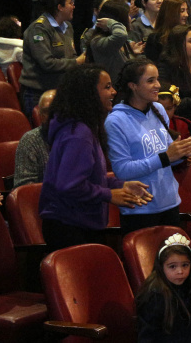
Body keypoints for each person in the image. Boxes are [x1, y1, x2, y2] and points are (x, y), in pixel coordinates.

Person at [39, 65, 152, 251]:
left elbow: (87, 179)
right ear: (89, 93)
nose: (114, 92)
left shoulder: (85, 128)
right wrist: (109, 194)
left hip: (79, 224)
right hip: (69, 226)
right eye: (107, 87)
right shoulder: (78, 134)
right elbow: (69, 185)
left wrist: (119, 185)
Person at [107, 58, 191, 233]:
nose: (158, 85)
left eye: (157, 79)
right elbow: (122, 170)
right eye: (150, 80)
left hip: (170, 202)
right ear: (133, 86)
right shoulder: (115, 121)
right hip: (140, 207)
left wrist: (182, 153)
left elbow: (167, 160)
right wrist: (166, 157)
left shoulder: (158, 109)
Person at [136, 233, 191, 342]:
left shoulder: (190, 287)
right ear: (161, 267)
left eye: (185, 265)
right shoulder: (154, 296)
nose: (180, 271)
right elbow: (148, 338)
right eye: (172, 266)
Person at [20, 0, 86, 114]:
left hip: (60, 89)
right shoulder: (39, 29)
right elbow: (46, 63)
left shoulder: (68, 27)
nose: (74, 6)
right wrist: (76, 62)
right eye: (70, 3)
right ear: (60, 7)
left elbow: (70, 55)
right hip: (38, 92)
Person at [83, 0, 143, 81]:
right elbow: (121, 34)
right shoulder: (98, 41)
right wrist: (110, 23)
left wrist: (131, 53)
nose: (130, 18)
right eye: (127, 15)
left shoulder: (115, 41)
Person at [13, 89, 55, 188]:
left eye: (55, 110)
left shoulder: (75, 137)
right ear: (40, 115)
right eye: (45, 112)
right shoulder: (30, 140)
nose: (51, 116)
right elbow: (24, 188)